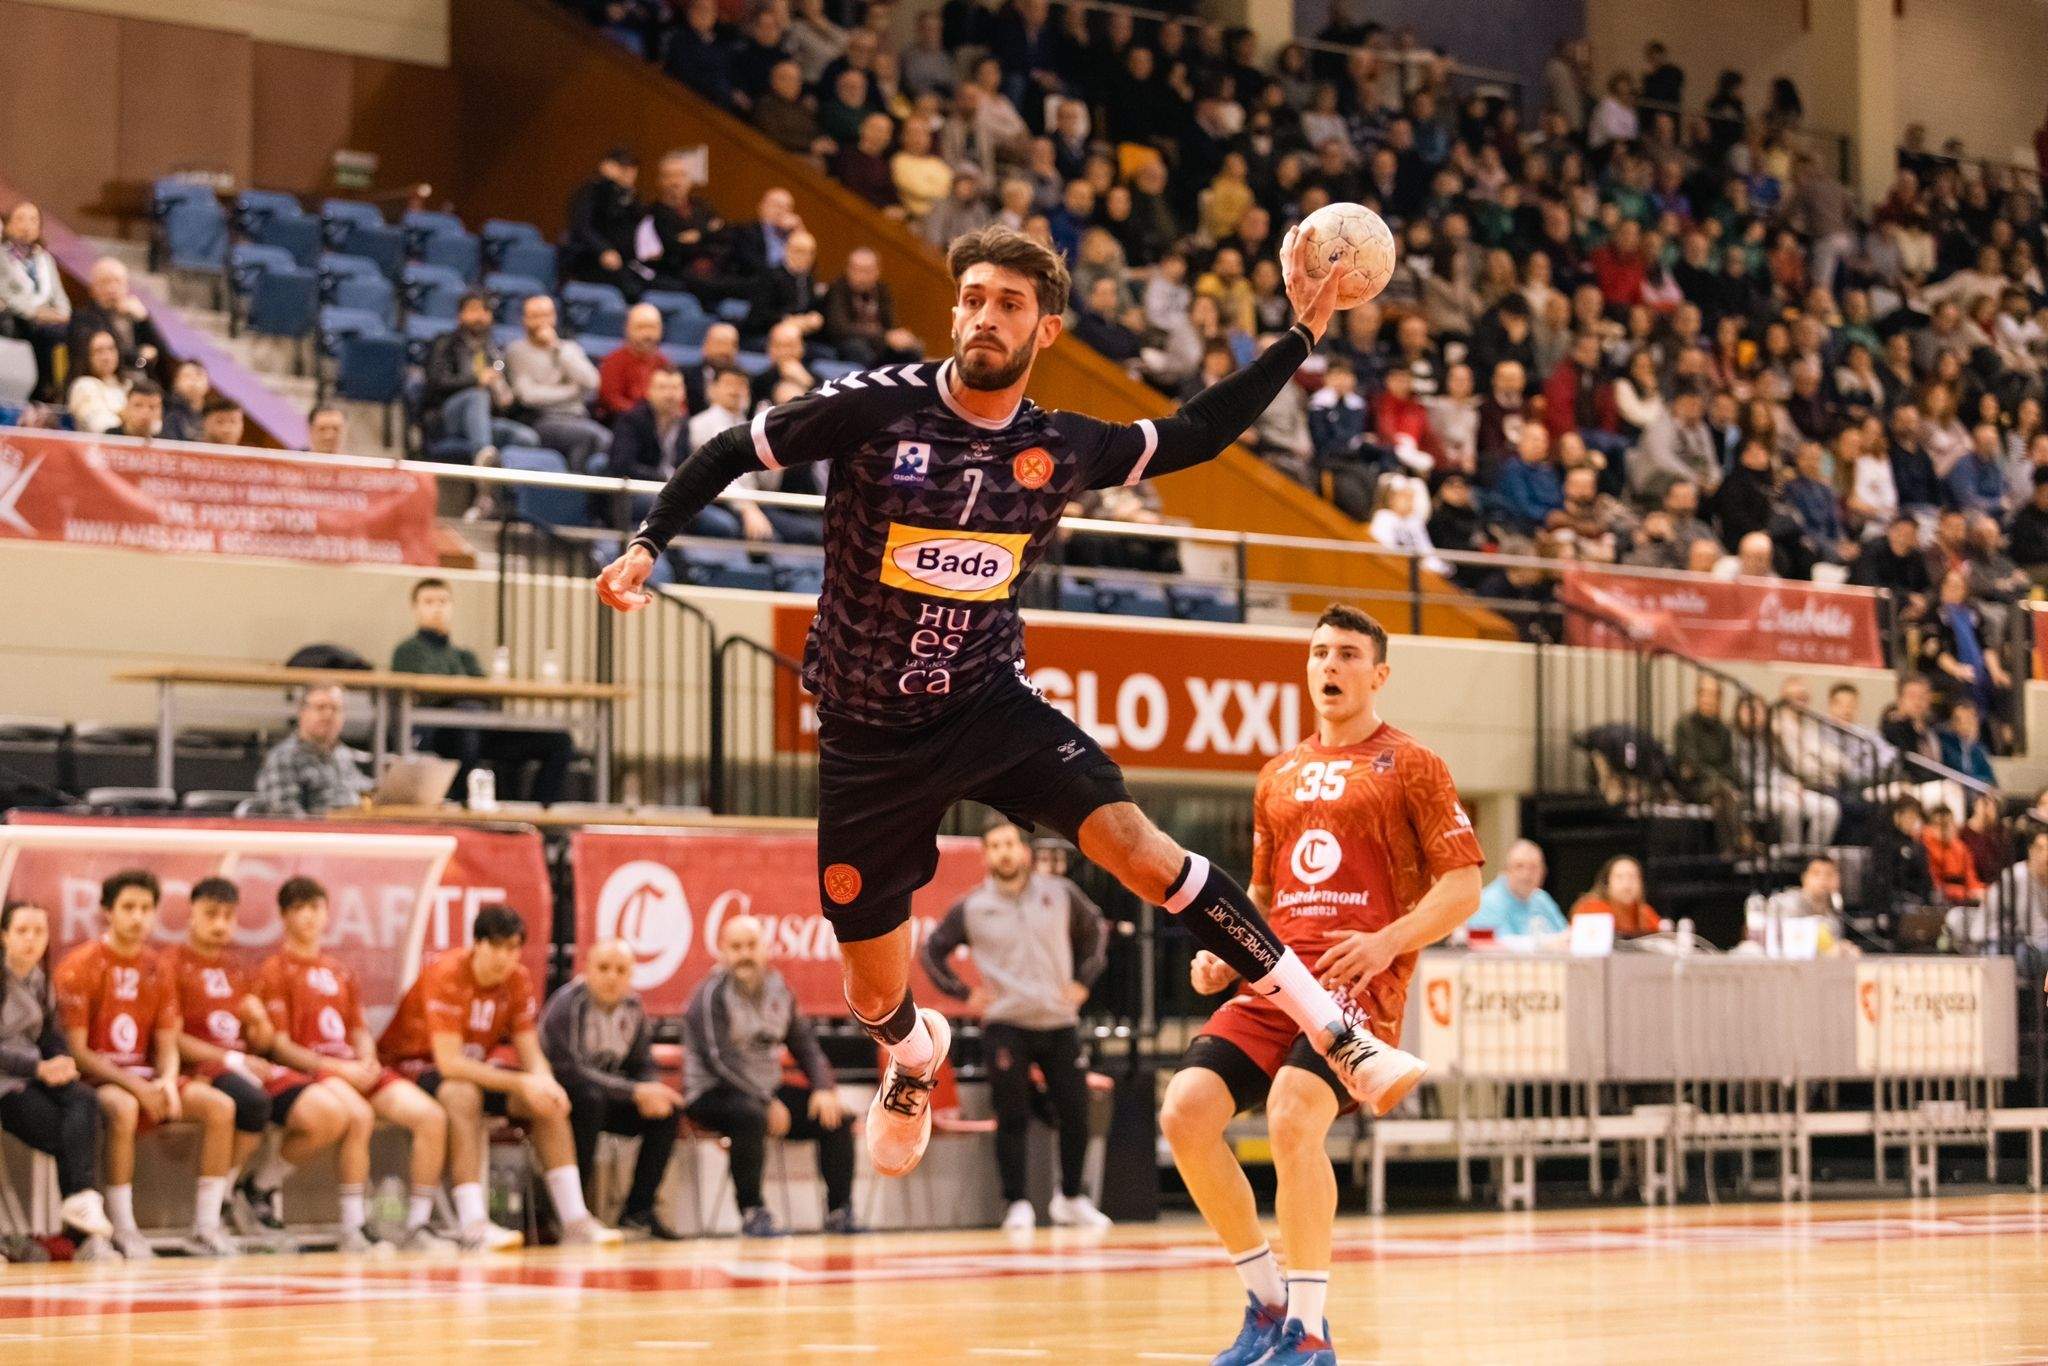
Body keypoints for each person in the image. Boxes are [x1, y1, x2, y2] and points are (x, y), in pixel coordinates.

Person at [599, 225, 1421, 1186]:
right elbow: (736, 447)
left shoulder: (1058, 448)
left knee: (1141, 852)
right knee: (872, 988)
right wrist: (648, 542)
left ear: (1049, 331)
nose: (986, 317)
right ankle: (912, 1058)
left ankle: (1337, 1031)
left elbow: (1197, 434)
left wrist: (1299, 336)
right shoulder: (876, 409)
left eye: (1010, 304)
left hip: (991, 705)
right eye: (974, 298)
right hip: (867, 736)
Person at [1161, 605, 1483, 1366]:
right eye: (1319, 653)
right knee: (1185, 1113)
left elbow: (1464, 885)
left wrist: (1386, 943)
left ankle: (1309, 1329)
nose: (1330, 666)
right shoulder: (1277, 775)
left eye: (1346, 654)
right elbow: (1263, 905)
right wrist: (1229, 958)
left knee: (1292, 1113)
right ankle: (1267, 1301)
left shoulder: (1413, 763)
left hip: (1353, 987)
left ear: (1378, 674)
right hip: (1274, 983)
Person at [378, 907, 621, 1249]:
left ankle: (575, 1220)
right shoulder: (447, 974)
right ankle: (473, 1223)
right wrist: (521, 1082)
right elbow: (449, 1064)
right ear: (477, 944)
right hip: (413, 1067)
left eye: (512, 949)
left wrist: (544, 1082)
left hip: (474, 1071)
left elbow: (530, 1051)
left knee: (546, 1102)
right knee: (462, 1094)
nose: (504, 958)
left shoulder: (516, 979)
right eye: (496, 947)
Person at [920, 818, 1110, 1231]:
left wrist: (1083, 983)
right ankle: (1017, 1203)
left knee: (1076, 1111)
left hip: (1059, 1021)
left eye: (1010, 844)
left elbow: (1096, 930)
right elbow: (932, 952)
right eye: (995, 846)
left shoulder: (1060, 893)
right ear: (986, 855)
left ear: (1024, 851)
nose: (1004, 852)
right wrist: (964, 993)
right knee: (1012, 1115)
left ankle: (1072, 1198)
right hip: (1006, 1024)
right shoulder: (972, 906)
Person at [250, 877, 453, 1252]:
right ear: (284, 916)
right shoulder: (275, 970)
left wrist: (367, 1058)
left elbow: (358, 1029)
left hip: (350, 1065)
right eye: (299, 908)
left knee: (431, 1117)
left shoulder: (340, 971)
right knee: (357, 1115)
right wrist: (337, 1068)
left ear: (327, 913)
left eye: (316, 907)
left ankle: (418, 1225)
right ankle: (352, 1226)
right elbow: (279, 1047)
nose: (309, 917)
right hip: (313, 1069)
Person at [53, 870, 240, 1258]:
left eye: (146, 908)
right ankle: (123, 1228)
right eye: (128, 908)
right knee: (123, 1107)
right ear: (107, 912)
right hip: (98, 1077)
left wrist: (169, 1080)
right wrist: (136, 1086)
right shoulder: (81, 964)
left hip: (147, 1076)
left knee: (221, 1107)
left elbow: (167, 1040)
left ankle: (206, 1228)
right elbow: (77, 1051)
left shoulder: (158, 967)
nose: (138, 917)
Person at [682, 913, 855, 1236]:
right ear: (721, 951)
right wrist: (765, 1100)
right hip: (711, 1094)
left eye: (751, 945)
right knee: (749, 1114)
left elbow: (806, 1046)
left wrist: (823, 1087)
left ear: (766, 949)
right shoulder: (709, 995)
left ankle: (839, 1212)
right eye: (736, 947)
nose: (744, 953)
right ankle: (753, 1212)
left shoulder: (780, 989)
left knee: (835, 1117)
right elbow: (721, 1061)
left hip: (765, 1092)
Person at [164, 878, 299, 1247]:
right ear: (190, 914)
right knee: (250, 1103)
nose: (221, 923)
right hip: (202, 1066)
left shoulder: (239, 968)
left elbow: (263, 1042)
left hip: (242, 1063)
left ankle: (242, 1190)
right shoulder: (171, 964)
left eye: (228, 915)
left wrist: (259, 1024)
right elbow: (170, 1037)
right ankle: (209, 1219)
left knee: (323, 1112)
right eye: (211, 914)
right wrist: (232, 1057)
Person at [539, 940, 685, 1241]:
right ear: (585, 970)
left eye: (621, 970)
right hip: (564, 1100)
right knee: (589, 1099)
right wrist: (633, 1091)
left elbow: (642, 1062)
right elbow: (570, 1070)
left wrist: (650, 1089)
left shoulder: (633, 1008)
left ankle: (638, 1212)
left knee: (667, 1111)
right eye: (603, 968)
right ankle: (566, 1213)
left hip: (609, 1097)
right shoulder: (567, 1004)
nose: (611, 977)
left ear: (631, 975)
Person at [392, 577, 573, 806]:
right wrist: (465, 692)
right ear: (415, 609)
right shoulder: (407, 651)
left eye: (443, 601)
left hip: (481, 728)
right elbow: (431, 693)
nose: (437, 608)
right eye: (429, 602)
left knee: (558, 741)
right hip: (440, 732)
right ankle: (461, 806)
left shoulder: (464, 655)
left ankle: (541, 816)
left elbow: (486, 691)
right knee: (466, 731)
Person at [0, 899, 116, 1257]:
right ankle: (78, 1236)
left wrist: (62, 1060)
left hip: (36, 1075)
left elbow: (52, 1034)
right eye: (22, 931)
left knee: (86, 1100)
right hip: (8, 1081)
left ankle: (80, 1206)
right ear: (4, 936)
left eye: (40, 931)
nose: (32, 940)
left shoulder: (40, 978)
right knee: (70, 1133)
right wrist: (37, 1067)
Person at [423, 292, 538, 467]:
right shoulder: (444, 343)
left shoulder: (494, 351)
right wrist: (476, 380)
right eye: (474, 310)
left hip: (482, 421)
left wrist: (505, 398)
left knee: (526, 438)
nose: (480, 316)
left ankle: (499, 490)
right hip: (447, 417)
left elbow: (503, 401)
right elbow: (436, 382)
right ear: (460, 315)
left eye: (485, 311)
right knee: (477, 395)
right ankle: (483, 458)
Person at [505, 295, 612, 472]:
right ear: (524, 320)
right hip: (542, 420)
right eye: (535, 316)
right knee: (590, 437)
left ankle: (587, 495)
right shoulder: (517, 351)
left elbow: (592, 382)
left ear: (555, 317)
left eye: (546, 315)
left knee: (608, 440)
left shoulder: (568, 348)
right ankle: (574, 492)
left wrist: (556, 348)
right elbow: (529, 396)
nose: (542, 321)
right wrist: (573, 392)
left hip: (578, 417)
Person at [251, 685, 370, 817]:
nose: (328, 715)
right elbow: (285, 816)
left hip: (353, 832)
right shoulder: (283, 757)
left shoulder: (342, 753)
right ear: (302, 712)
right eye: (321, 707)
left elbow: (364, 790)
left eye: (335, 709)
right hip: (316, 834)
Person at [0, 201, 70, 401]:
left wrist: (63, 314)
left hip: (50, 318)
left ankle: (62, 393)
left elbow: (59, 295)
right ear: (8, 224)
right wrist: (35, 312)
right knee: (45, 333)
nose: (26, 225)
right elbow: (6, 294)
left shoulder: (45, 259)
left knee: (76, 330)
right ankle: (40, 393)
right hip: (20, 317)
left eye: (33, 219)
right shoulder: (1, 257)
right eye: (20, 219)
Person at [820, 247, 923, 366]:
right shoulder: (837, 289)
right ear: (848, 269)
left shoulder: (882, 290)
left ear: (877, 271)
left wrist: (898, 336)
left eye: (867, 271)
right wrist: (884, 336)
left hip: (880, 341)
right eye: (857, 270)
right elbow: (840, 328)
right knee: (857, 348)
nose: (862, 276)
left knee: (911, 348)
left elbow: (890, 323)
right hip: (849, 341)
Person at [564, 148, 643, 297]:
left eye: (632, 168)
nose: (629, 173)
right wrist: (603, 250)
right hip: (591, 258)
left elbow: (635, 224)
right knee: (631, 290)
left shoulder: (631, 198)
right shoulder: (591, 191)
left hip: (624, 261)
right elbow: (582, 227)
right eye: (623, 167)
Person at [68, 257, 162, 378]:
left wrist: (144, 319)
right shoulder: (82, 318)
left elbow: (160, 353)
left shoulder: (135, 315)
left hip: (141, 380)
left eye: (117, 281)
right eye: (105, 282)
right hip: (101, 380)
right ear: (92, 289)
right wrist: (140, 358)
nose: (111, 288)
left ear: (127, 286)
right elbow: (103, 355)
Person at [1468, 839, 1565, 936]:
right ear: (1506, 871)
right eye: (1519, 866)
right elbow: (1501, 947)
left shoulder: (1541, 899)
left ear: (1543, 872)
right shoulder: (1486, 902)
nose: (1526, 874)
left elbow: (1567, 935)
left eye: (1533, 867)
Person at [596, 303, 674, 421]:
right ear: (627, 329)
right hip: (622, 424)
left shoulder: (665, 363)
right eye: (641, 327)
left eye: (653, 328)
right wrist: (644, 417)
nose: (647, 334)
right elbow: (610, 400)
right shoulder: (613, 362)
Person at [1568, 855, 1666, 938]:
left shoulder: (1644, 912)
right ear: (1606, 883)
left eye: (1633, 877)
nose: (1627, 884)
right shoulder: (1590, 909)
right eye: (1619, 877)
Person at [66, 329, 129, 434]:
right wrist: (130, 419)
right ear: (87, 357)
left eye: (111, 349)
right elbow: (101, 426)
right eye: (99, 351)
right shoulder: (83, 386)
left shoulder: (129, 384)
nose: (106, 357)